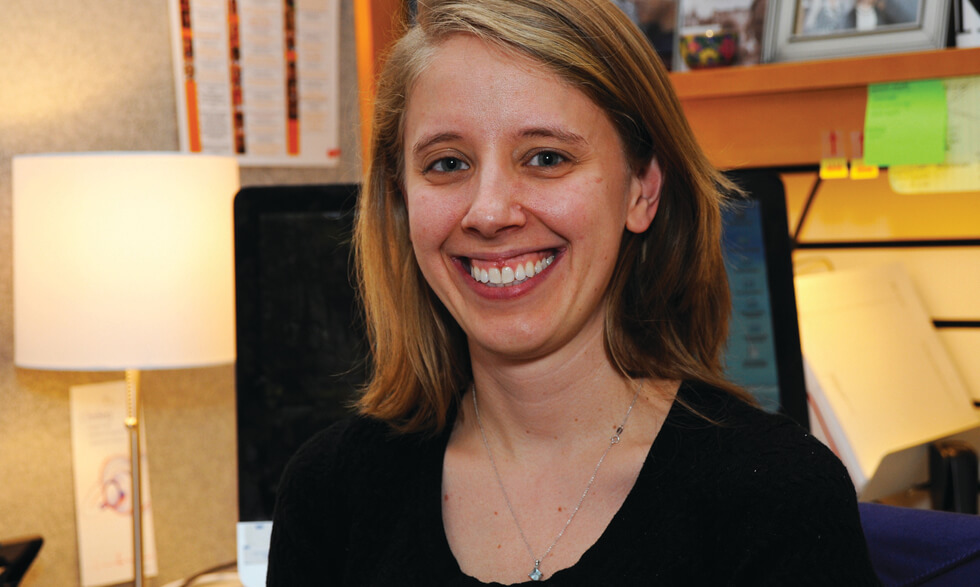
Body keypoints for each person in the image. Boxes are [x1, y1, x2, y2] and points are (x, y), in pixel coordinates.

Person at [267, 0, 881, 584]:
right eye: (447, 164)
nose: (489, 211)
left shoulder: (775, 497)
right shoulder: (329, 495)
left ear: (641, 190)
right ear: (402, 201)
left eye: (546, 157)